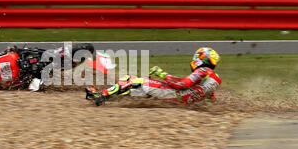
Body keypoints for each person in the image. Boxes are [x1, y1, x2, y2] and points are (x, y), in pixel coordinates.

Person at [85, 47, 222, 106]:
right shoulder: (212, 78)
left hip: (174, 94)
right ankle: (109, 97)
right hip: (178, 98)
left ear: (202, 59)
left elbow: (183, 84)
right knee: (134, 86)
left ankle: (101, 96)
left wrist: (161, 73)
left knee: (133, 80)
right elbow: (210, 98)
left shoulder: (203, 70)